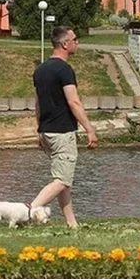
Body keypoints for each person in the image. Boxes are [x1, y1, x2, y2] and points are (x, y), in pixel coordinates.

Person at [29, 26, 98, 228]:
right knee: (61, 180)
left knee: (63, 179)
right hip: (62, 132)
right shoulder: (64, 70)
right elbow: (73, 102)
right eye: (75, 39)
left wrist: (38, 129)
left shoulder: (40, 70)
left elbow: (38, 103)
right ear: (64, 44)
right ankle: (29, 211)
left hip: (47, 131)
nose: (77, 42)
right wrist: (89, 129)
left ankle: (71, 223)